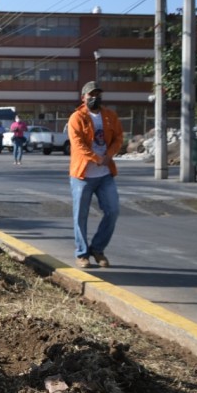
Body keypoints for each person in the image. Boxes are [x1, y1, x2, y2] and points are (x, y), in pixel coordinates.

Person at [67, 81, 123, 269]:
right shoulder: (77, 117)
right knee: (80, 215)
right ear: (83, 98)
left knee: (113, 210)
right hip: (82, 175)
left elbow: (118, 138)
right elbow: (77, 144)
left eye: (98, 94)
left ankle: (98, 249)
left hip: (105, 174)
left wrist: (108, 155)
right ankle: (82, 254)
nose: (95, 98)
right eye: (91, 95)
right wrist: (95, 158)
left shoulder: (110, 116)